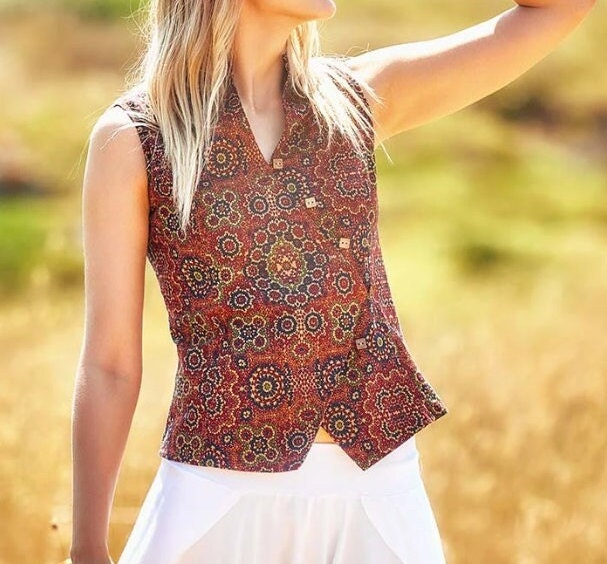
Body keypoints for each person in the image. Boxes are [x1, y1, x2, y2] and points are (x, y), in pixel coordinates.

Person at [68, 0, 597, 563]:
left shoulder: (356, 99)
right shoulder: (134, 138)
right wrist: (87, 547)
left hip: (378, 492)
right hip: (215, 491)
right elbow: (110, 364)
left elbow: (559, 11)